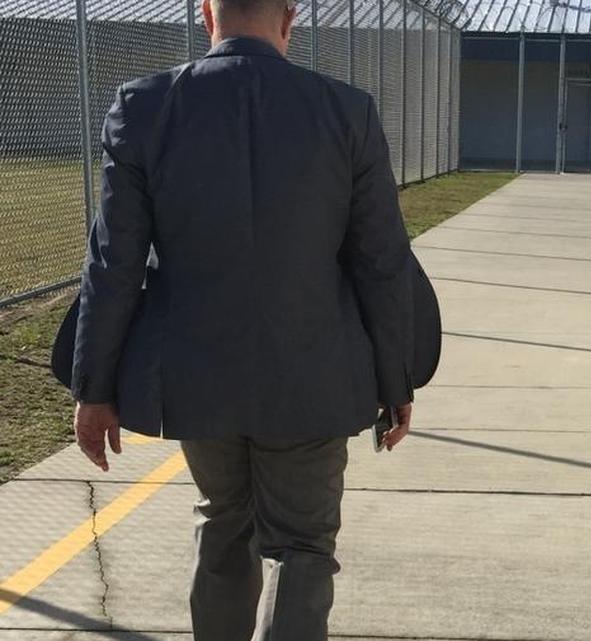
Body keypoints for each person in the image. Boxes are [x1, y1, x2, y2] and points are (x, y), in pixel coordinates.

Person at [70, 0, 416, 638]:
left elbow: (113, 264)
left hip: (199, 377)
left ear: (207, 15)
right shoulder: (347, 112)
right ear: (289, 19)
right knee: (303, 546)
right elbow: (381, 262)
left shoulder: (144, 106)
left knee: (224, 522)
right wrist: (397, 381)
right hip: (313, 376)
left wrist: (94, 390)